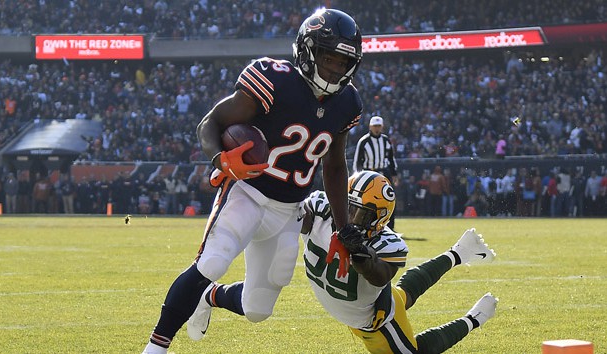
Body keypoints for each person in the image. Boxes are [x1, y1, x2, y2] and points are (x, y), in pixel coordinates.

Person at [143, 8, 364, 353]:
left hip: (289, 207)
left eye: (341, 62)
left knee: (258, 309)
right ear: (307, 51)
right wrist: (220, 158)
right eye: (327, 57)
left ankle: (210, 296)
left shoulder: (348, 102)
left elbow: (334, 167)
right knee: (213, 261)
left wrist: (341, 227)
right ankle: (155, 348)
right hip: (247, 191)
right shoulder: (274, 79)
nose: (335, 68)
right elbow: (210, 123)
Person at [300, 170, 498, 353]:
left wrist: (359, 252)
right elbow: (299, 216)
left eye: (360, 213)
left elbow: (379, 277)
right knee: (403, 296)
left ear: (379, 219)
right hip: (357, 308)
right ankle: (460, 252)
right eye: (348, 206)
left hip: (375, 318)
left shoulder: (386, 243)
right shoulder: (321, 208)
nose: (350, 217)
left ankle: (474, 318)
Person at [352, 116, 398, 227]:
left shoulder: (386, 140)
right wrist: (358, 176)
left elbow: (391, 158)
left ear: (382, 127)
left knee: (389, 199)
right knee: (369, 201)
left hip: (383, 173)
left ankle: (390, 227)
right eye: (375, 126)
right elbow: (358, 161)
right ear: (370, 127)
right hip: (369, 174)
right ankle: (367, 225)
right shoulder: (364, 141)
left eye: (378, 126)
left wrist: (394, 174)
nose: (377, 128)